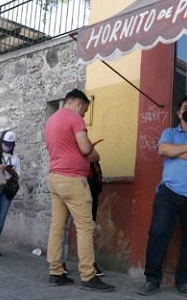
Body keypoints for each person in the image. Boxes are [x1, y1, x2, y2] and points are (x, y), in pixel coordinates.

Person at [138, 95, 187, 297]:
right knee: (158, 234)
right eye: (185, 107)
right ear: (179, 113)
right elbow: (163, 149)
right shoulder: (169, 132)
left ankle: (184, 282)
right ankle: (152, 279)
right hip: (169, 191)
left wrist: (176, 152)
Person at [44, 89, 114, 292]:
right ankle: (88, 275)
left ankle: (55, 271)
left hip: (54, 177)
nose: (83, 115)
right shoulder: (74, 119)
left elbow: (63, 147)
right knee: (85, 226)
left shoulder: (51, 120)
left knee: (57, 226)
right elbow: (85, 149)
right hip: (73, 179)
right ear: (79, 104)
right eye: (84, 111)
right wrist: (95, 154)